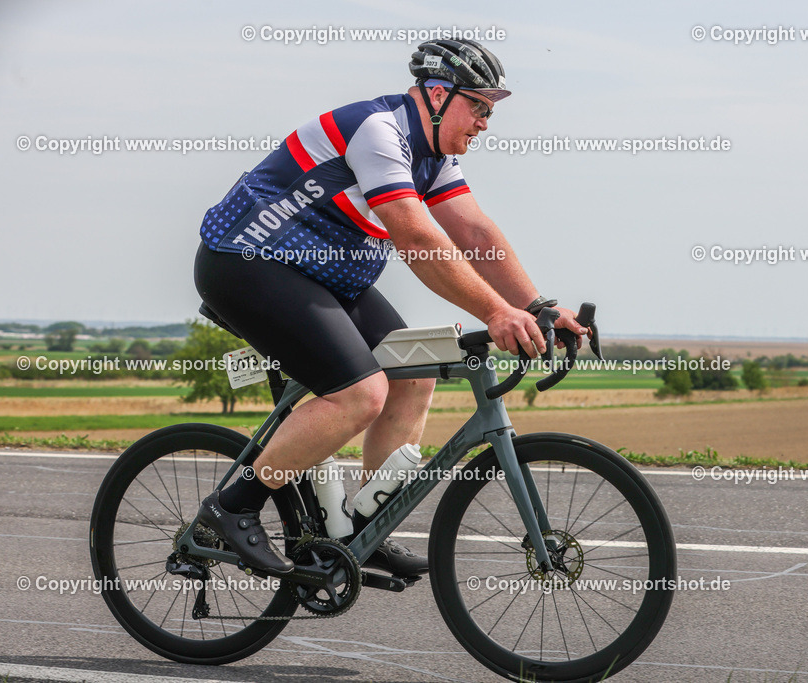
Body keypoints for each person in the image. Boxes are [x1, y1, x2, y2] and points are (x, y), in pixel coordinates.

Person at [193, 39, 587, 578]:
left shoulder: (434, 156)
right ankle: (233, 506)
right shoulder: (378, 131)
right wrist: (497, 312)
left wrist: (538, 305)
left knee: (413, 375)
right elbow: (418, 238)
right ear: (438, 94)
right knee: (360, 394)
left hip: (325, 274)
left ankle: (361, 529)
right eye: (480, 106)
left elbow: (473, 231)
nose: (485, 123)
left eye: (489, 111)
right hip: (248, 262)